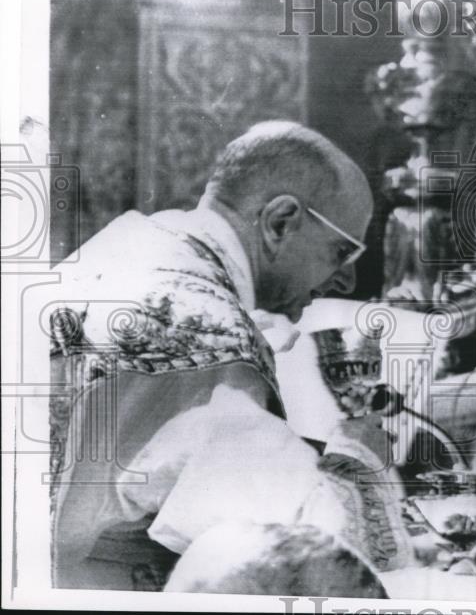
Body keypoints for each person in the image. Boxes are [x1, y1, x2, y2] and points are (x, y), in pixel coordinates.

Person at [47, 120, 404, 592]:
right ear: (281, 222)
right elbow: (319, 550)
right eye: (341, 251)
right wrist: (360, 461)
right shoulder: (211, 337)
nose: (346, 282)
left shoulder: (129, 247)